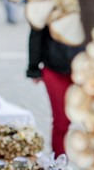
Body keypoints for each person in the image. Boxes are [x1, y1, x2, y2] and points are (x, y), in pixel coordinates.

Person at [27, 26, 84, 156]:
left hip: (89, 67)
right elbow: (37, 28)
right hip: (56, 66)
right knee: (61, 122)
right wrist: (33, 67)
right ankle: (59, 168)